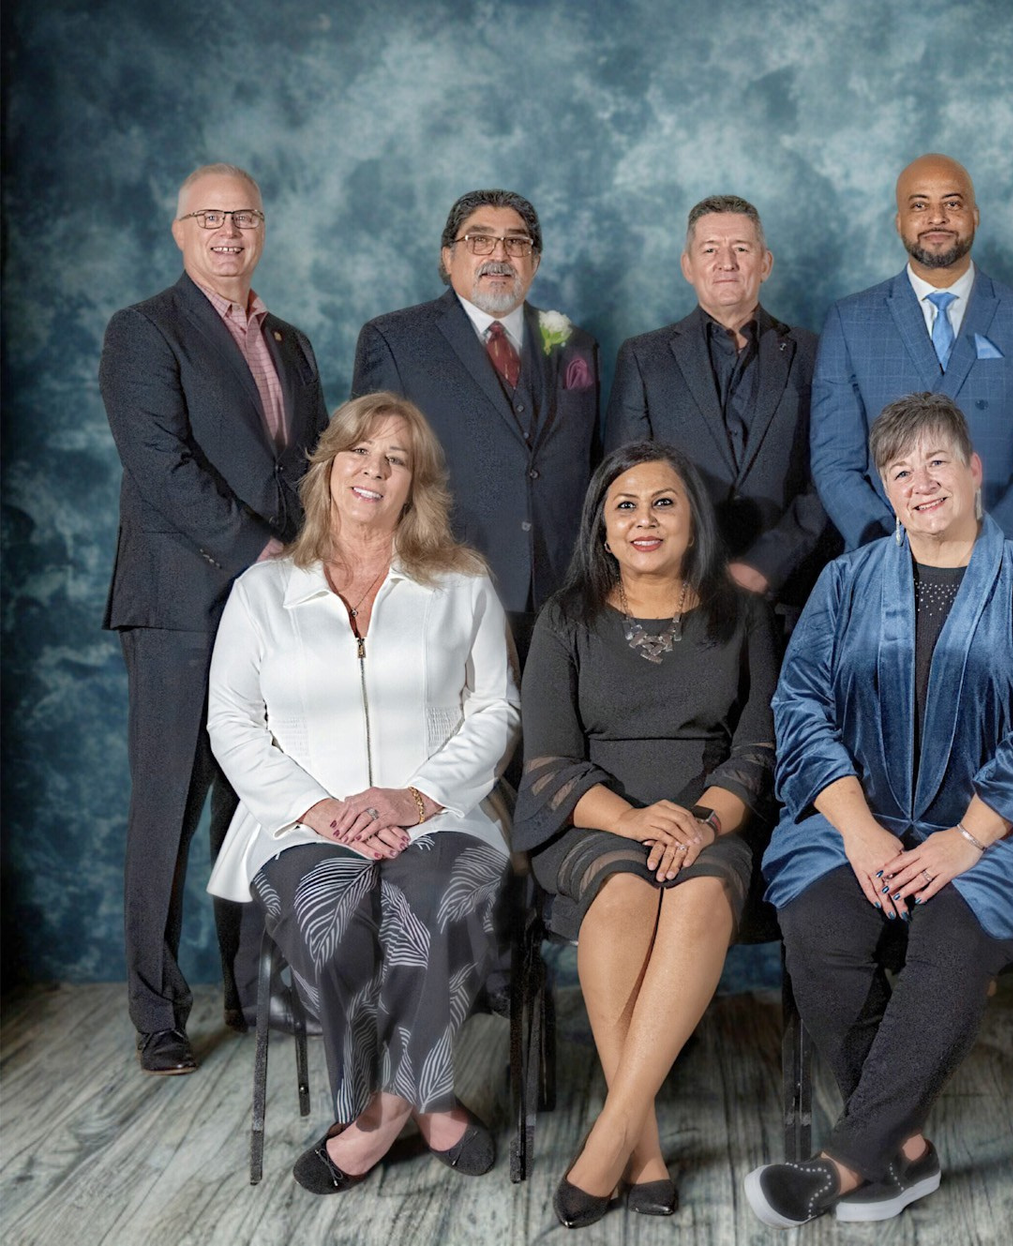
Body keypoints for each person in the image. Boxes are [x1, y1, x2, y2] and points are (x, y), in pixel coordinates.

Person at [744, 393, 1013, 1228]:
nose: (921, 482)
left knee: (949, 929)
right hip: (859, 816)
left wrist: (968, 838)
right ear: (883, 489)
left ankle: (842, 1162)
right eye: (899, 471)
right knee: (822, 929)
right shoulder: (846, 581)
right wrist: (861, 831)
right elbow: (799, 707)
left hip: (1012, 830)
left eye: (937, 461)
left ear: (975, 472)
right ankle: (902, 1150)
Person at [204, 393, 519, 1194]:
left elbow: (497, 710)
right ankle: (430, 1103)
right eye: (358, 453)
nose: (373, 470)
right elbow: (233, 722)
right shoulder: (263, 592)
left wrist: (414, 798)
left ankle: (379, 1116)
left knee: (437, 900)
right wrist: (321, 811)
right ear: (329, 468)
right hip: (301, 822)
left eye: (396, 459)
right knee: (327, 920)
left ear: (417, 483)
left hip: (440, 813)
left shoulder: (462, 582)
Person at [513, 440, 777, 1229]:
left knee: (697, 903)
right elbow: (548, 759)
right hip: (593, 818)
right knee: (624, 892)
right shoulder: (565, 620)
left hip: (710, 818)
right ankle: (644, 1145)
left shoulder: (744, 616)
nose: (644, 520)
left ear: (693, 520)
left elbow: (757, 748)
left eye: (663, 501)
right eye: (625, 506)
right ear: (602, 529)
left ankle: (613, 1134)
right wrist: (628, 818)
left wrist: (700, 820)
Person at [100, 162, 329, 1072]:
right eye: (211, 217)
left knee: (260, 803)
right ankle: (157, 1014)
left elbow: (307, 466)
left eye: (244, 217)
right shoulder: (144, 331)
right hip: (179, 604)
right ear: (180, 230)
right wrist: (266, 551)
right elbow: (161, 466)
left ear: (262, 229)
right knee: (169, 807)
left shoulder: (293, 342)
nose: (229, 231)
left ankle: (253, 990)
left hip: (275, 606)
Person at [351, 189, 601, 651]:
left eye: (516, 242)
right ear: (448, 257)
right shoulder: (396, 340)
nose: (499, 255)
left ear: (535, 260)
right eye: (480, 240)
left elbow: (591, 464)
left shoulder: (574, 344)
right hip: (441, 585)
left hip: (563, 595)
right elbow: (368, 475)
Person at [810, 154, 1013, 549]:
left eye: (952, 203)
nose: (937, 217)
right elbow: (835, 464)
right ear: (899, 221)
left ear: (975, 215)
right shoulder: (850, 322)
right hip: (883, 557)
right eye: (919, 205)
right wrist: (892, 546)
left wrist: (985, 547)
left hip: (1001, 558)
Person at [604, 195, 834, 628]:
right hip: (679, 592)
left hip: (792, 595)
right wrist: (691, 569)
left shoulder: (815, 353)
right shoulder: (643, 358)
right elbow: (626, 487)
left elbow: (829, 474)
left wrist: (766, 562)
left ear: (764, 263)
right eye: (710, 249)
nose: (726, 261)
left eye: (741, 249)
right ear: (687, 265)